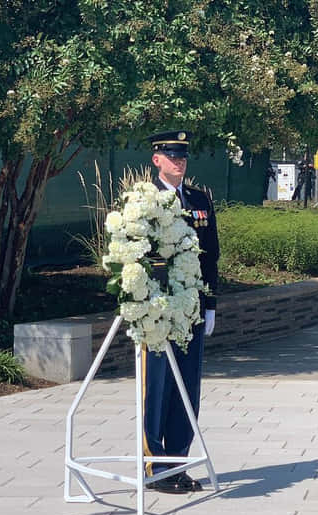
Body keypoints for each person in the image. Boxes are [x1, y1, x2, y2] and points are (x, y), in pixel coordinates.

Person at [143, 130, 219, 494]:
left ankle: (177, 463)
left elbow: (212, 256)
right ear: (157, 159)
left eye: (183, 156)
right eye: (172, 156)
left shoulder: (200, 199)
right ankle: (154, 465)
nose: (179, 161)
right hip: (158, 310)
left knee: (187, 387)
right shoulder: (144, 200)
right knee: (158, 386)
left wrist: (212, 304)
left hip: (192, 307)